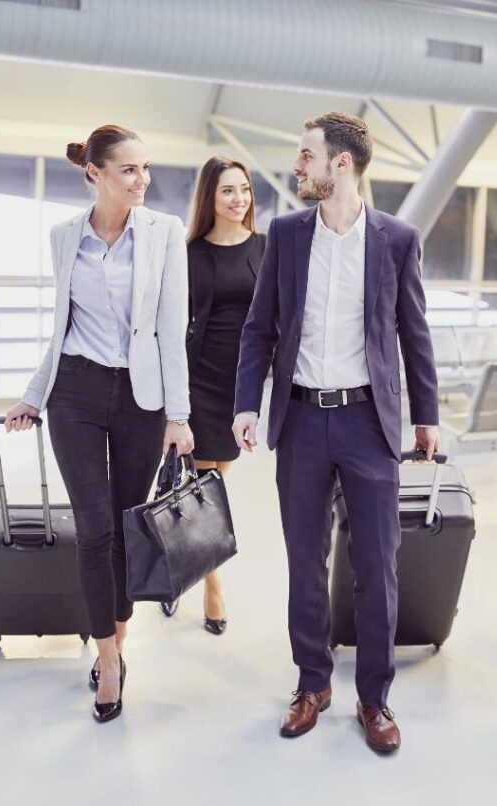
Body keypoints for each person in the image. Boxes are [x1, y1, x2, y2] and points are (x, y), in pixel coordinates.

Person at [232, 112, 439, 754]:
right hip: (298, 419)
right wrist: (247, 404)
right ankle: (311, 682)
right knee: (304, 561)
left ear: (340, 164)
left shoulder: (397, 239)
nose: (299, 166)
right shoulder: (288, 235)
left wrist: (426, 414)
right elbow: (258, 328)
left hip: (367, 422)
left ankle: (374, 698)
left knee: (377, 565)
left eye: (306, 156)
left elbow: (414, 330)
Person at [3, 124, 193, 724]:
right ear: (95, 173)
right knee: (92, 531)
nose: (143, 180)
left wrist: (179, 415)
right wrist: (34, 394)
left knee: (123, 524)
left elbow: (171, 329)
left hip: (142, 398)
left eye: (145, 168)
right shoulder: (64, 236)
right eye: (129, 170)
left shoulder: (164, 234)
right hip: (77, 393)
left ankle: (118, 633)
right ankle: (108, 661)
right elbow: (61, 326)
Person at [182, 157, 266, 635]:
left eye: (245, 190)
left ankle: (191, 561)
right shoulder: (191, 252)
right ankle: (213, 587)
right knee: (205, 491)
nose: (238, 200)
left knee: (211, 486)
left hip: (242, 384)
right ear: (209, 199)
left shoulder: (266, 247)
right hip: (199, 381)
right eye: (227, 192)